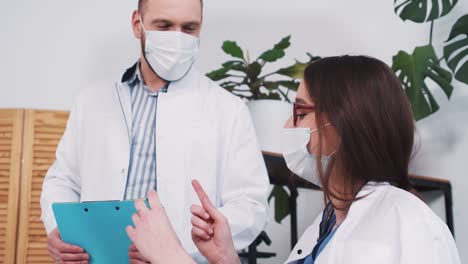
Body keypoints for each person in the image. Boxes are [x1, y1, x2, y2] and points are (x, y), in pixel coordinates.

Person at [126, 55, 461, 264]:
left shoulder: (410, 225)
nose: (287, 127)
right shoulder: (327, 226)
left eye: (299, 113)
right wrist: (226, 258)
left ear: (343, 123)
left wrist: (172, 256)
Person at [40, 0, 269, 263]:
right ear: (138, 24)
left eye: (189, 28)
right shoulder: (92, 100)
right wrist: (60, 229)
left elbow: (250, 204)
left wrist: (175, 251)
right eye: (164, 26)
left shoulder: (229, 109)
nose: (177, 38)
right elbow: (62, 180)